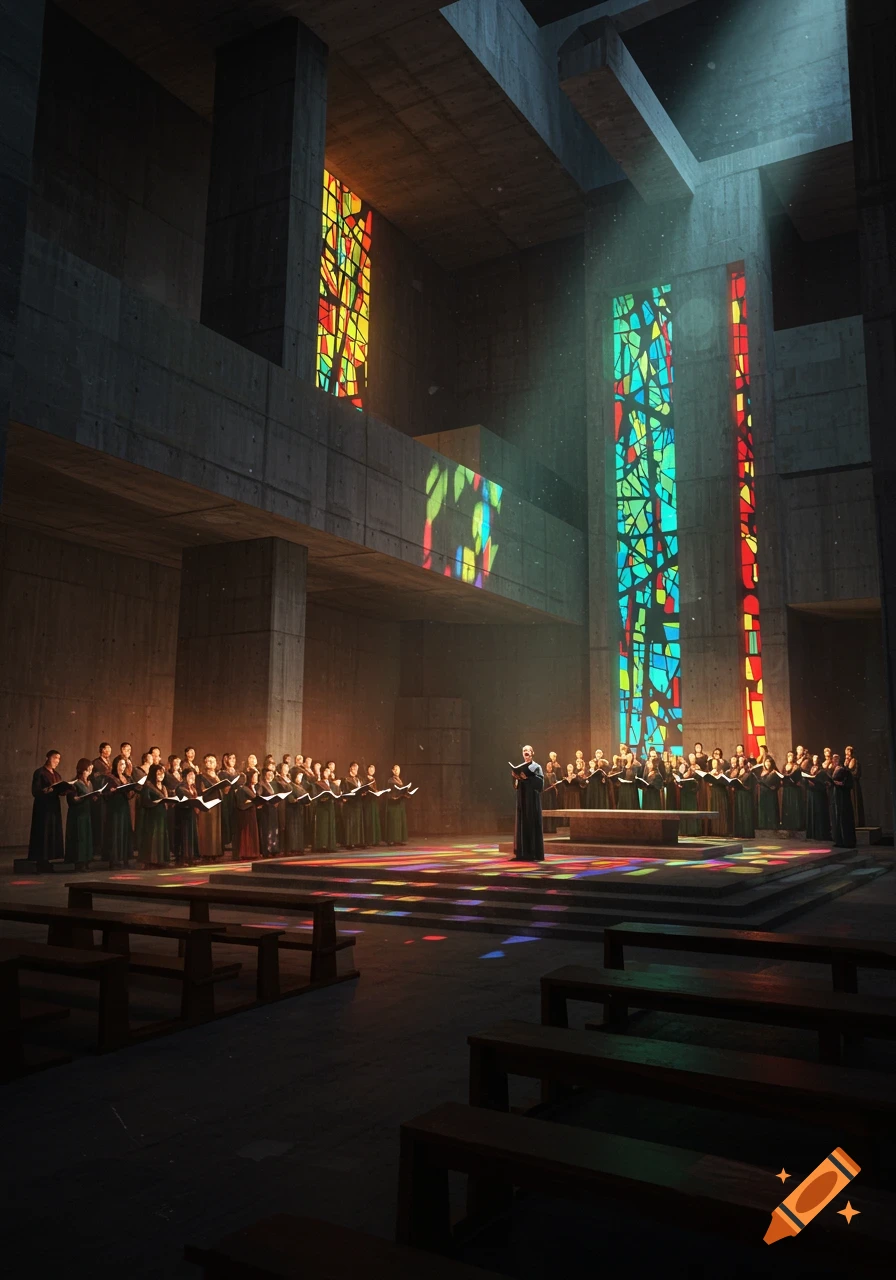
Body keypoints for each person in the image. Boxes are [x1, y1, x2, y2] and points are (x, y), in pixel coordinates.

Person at [29, 750, 66, 864]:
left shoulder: (57, 774)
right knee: (43, 830)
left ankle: (53, 856)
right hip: (43, 807)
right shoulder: (40, 772)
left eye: (59, 759)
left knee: (53, 829)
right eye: (55, 758)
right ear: (47, 758)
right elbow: (35, 791)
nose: (57, 761)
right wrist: (46, 791)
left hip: (54, 806)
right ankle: (42, 858)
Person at [511, 745, 544, 862]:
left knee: (531, 822)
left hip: (532, 799)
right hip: (522, 798)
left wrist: (527, 779)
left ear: (532, 753)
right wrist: (515, 777)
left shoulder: (536, 767)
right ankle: (522, 853)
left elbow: (540, 784)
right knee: (522, 823)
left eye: (528, 750)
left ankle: (533, 853)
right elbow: (515, 786)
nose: (526, 752)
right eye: (524, 750)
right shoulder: (520, 767)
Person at [66, 758, 99, 869]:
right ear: (82, 770)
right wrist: (80, 798)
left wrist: (94, 797)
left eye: (90, 770)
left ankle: (86, 860)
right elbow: (71, 799)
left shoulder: (89, 783)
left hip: (86, 813)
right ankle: (79, 862)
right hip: (77, 814)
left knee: (86, 836)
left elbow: (91, 795)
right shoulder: (74, 783)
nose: (89, 772)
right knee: (79, 837)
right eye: (87, 770)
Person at [104, 755, 135, 868]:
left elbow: (130, 794)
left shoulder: (126, 778)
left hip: (124, 807)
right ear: (116, 765)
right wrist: (112, 791)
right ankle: (115, 860)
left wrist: (131, 790)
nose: (123, 767)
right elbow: (105, 794)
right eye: (121, 764)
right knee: (116, 832)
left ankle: (124, 859)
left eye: (124, 764)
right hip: (115, 808)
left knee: (124, 832)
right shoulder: (110, 778)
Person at [138, 763, 171, 866]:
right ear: (153, 774)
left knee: (162, 836)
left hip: (162, 815)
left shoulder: (164, 787)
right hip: (152, 816)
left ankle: (161, 859)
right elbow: (144, 801)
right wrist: (154, 803)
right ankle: (152, 860)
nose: (161, 775)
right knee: (153, 837)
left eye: (162, 773)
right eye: (158, 773)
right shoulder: (148, 785)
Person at [196, 754, 225, 863]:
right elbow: (200, 791)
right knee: (207, 828)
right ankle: (206, 853)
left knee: (215, 829)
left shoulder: (217, 776)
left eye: (213, 761)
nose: (211, 763)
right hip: (207, 803)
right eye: (208, 761)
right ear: (204, 763)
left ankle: (215, 852)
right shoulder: (201, 776)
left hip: (217, 803)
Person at [233, 767, 262, 861]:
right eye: (255, 776)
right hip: (245, 814)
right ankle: (246, 853)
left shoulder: (254, 788)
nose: (256, 778)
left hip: (252, 813)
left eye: (257, 776)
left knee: (253, 832)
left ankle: (253, 852)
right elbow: (241, 802)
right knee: (247, 833)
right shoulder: (243, 788)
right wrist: (252, 802)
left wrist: (253, 802)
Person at [830, 754, 857, 848]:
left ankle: (847, 841)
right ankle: (839, 840)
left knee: (844, 817)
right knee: (837, 818)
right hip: (837, 796)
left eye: (836, 761)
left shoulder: (845, 771)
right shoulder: (834, 770)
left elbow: (848, 784)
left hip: (843, 798)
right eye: (833, 761)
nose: (834, 762)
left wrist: (840, 784)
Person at [255, 765, 283, 858]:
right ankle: (266, 850)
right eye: (269, 773)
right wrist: (267, 801)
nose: (271, 775)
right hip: (266, 810)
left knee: (274, 830)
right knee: (267, 830)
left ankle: (274, 849)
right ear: (265, 775)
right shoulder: (261, 784)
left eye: (272, 773)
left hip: (273, 809)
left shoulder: (274, 784)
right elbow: (259, 796)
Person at [805, 755, 832, 841]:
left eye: (816, 758)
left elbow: (824, 783)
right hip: (811, 793)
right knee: (812, 812)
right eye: (813, 758)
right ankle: (812, 833)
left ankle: (820, 833)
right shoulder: (811, 769)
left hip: (819, 795)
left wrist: (815, 783)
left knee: (819, 812)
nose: (814, 760)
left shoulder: (822, 771)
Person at [340, 762, 365, 849]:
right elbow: (344, 791)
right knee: (350, 823)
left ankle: (357, 841)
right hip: (350, 803)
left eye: (357, 769)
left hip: (358, 802)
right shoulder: (346, 779)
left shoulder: (359, 779)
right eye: (354, 768)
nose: (356, 770)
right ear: (351, 768)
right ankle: (349, 843)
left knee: (357, 823)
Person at [313, 766, 338, 852]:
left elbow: (336, 793)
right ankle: (322, 845)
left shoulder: (332, 784)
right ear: (322, 772)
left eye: (328, 772)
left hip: (330, 805)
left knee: (330, 825)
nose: (327, 773)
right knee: (323, 826)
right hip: (322, 807)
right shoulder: (318, 783)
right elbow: (315, 794)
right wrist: (321, 798)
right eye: (325, 771)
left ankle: (330, 846)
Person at [385, 764, 409, 845]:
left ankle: (399, 839)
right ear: (392, 771)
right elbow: (388, 791)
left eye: (398, 769)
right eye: (395, 769)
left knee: (400, 821)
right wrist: (393, 797)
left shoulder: (400, 780)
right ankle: (392, 840)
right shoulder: (390, 780)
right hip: (393, 803)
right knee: (393, 821)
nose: (397, 771)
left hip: (400, 802)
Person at [780, 751, 804, 832]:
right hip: (786, 788)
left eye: (791, 756)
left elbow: (799, 777)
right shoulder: (784, 766)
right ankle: (787, 824)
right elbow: (782, 775)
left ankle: (796, 824)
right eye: (788, 756)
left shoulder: (796, 766)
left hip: (794, 789)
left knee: (794, 805)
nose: (790, 757)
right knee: (787, 806)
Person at [756, 759, 781, 830]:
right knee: (763, 808)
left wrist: (775, 787)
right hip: (763, 792)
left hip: (771, 793)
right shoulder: (761, 772)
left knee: (771, 808)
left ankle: (772, 825)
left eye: (768, 762)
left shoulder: (774, 771)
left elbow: (779, 782)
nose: (767, 763)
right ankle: (763, 825)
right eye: (766, 761)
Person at [361, 763, 382, 847]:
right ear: (367, 770)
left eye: (373, 769)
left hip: (374, 801)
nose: (372, 771)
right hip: (367, 802)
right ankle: (369, 840)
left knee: (374, 820)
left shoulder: (374, 779)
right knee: (369, 820)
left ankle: (375, 840)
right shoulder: (364, 779)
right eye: (370, 769)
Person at [844, 745, 864, 827]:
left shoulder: (855, 761)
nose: (847, 755)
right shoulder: (846, 762)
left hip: (854, 785)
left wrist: (848, 772)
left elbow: (856, 774)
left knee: (855, 801)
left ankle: (857, 822)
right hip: (849, 785)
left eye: (848, 753)